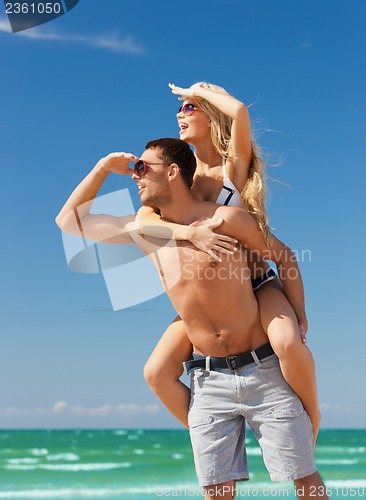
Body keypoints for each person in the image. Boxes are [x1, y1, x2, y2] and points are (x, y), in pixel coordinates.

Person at [55, 138, 328, 499]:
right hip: (207, 381)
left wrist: (300, 317)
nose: (135, 177)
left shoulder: (226, 219)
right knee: (216, 492)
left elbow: (286, 257)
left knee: (305, 482)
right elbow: (69, 221)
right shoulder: (146, 235)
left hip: (264, 373)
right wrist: (104, 166)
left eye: (142, 168)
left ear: (171, 172)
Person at [136, 82, 321, 442]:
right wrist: (188, 234)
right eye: (180, 107)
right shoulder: (178, 179)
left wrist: (300, 315)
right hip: (210, 300)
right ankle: (215, 435)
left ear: (211, 115)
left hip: (255, 285)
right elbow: (143, 221)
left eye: (191, 108)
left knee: (286, 342)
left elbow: (239, 112)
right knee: (157, 372)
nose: (180, 113)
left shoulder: (230, 173)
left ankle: (311, 417)